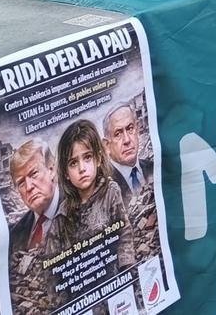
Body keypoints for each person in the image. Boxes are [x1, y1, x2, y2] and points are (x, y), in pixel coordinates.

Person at [52, 119, 135, 270]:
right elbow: (54, 263)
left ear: (97, 158)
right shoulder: (63, 215)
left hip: (113, 277)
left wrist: (127, 268)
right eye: (73, 163)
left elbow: (124, 232)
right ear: (66, 173)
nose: (82, 168)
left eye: (87, 157)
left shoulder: (110, 192)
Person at [103, 104, 163, 265]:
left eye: (130, 129)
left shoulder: (154, 167)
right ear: (106, 146)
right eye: (118, 133)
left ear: (137, 130)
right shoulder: (104, 193)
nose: (127, 140)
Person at [8, 140, 61, 254]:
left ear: (51, 170)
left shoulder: (80, 206)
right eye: (21, 182)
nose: (29, 187)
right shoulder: (16, 232)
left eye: (33, 174)